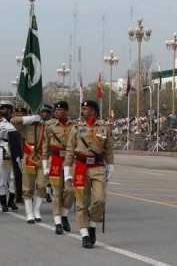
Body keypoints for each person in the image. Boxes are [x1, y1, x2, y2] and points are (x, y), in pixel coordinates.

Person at [63, 100, 114, 248]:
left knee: (100, 200)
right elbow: (69, 150)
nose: (83, 111)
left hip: (98, 167)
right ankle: (84, 234)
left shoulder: (104, 129)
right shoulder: (76, 128)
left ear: (93, 111)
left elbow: (109, 149)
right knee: (82, 202)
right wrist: (67, 171)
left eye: (85, 109)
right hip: (80, 167)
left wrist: (111, 167)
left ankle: (92, 225)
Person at [11, 104, 52, 224]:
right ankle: (29, 213)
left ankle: (37, 210)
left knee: (42, 185)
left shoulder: (49, 126)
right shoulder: (27, 126)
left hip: (43, 157)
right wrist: (31, 118)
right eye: (42, 112)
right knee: (27, 187)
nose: (44, 114)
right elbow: (13, 120)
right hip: (29, 157)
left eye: (47, 112)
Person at [42, 101, 75, 234]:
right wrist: (45, 164)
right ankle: (57, 223)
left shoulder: (74, 127)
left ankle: (65, 215)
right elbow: (45, 147)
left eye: (60, 110)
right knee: (57, 193)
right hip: (54, 161)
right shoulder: (49, 127)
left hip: (69, 161)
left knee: (70, 191)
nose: (56, 112)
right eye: (56, 110)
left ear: (66, 111)